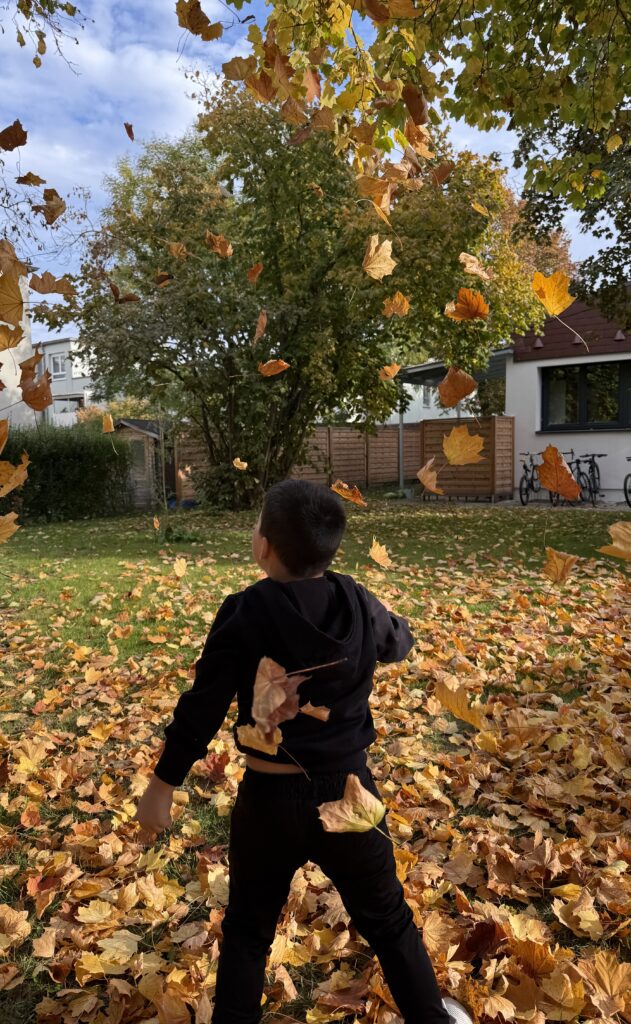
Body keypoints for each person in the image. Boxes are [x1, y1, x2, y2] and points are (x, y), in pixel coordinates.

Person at [136, 480, 473, 1024]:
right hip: (350, 792)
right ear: (330, 549)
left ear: (264, 546)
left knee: (248, 930)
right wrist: (392, 628)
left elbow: (203, 704)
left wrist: (162, 785)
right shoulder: (358, 601)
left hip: (268, 798)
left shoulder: (245, 610)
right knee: (388, 920)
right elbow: (398, 641)